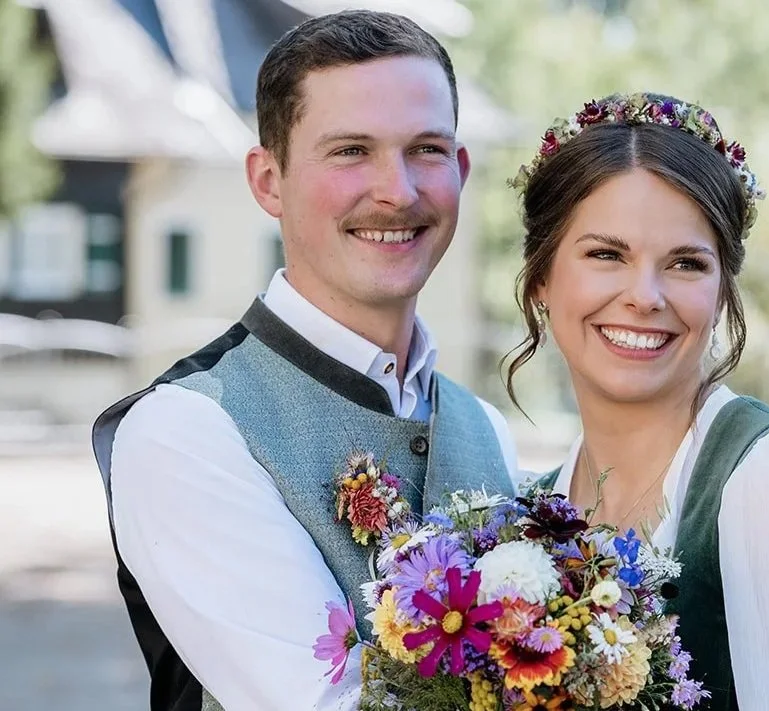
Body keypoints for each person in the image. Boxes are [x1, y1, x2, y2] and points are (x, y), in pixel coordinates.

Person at [91, 11, 517, 711]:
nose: (398, 190)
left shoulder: (486, 430)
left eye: (426, 150)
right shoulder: (187, 431)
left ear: (460, 172)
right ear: (268, 181)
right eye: (351, 150)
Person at [505, 93, 769, 710]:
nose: (644, 296)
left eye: (686, 264)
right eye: (606, 254)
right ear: (541, 277)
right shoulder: (528, 512)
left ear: (722, 291)